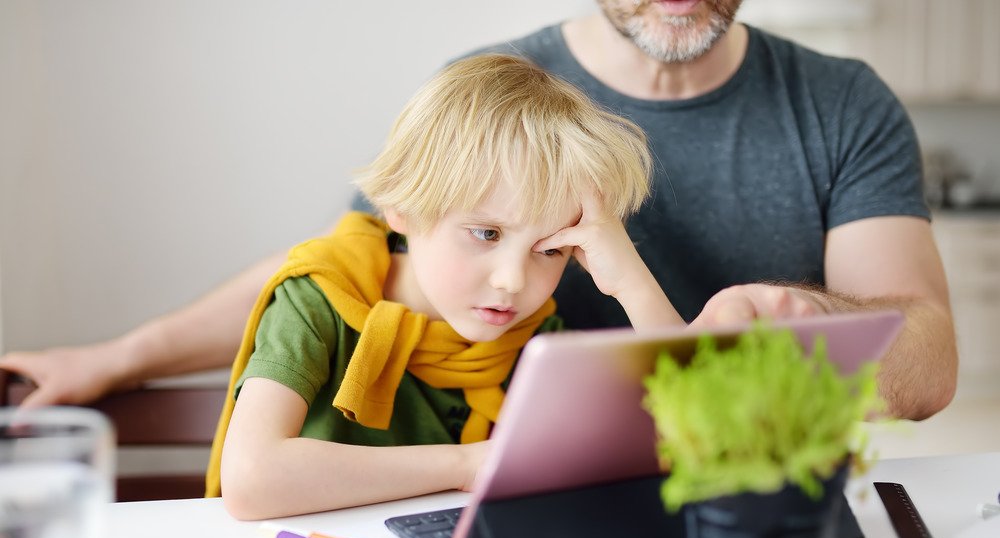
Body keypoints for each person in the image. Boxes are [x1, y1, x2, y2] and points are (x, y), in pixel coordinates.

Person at [0, 0, 956, 421]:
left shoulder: (840, 101)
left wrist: (807, 324)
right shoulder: (489, 90)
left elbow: (925, 369)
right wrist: (114, 358)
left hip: (755, 491)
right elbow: (344, 272)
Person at [211, 53, 681, 519]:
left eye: (550, 249)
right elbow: (253, 477)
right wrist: (466, 464)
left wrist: (632, 284)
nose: (513, 280)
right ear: (404, 208)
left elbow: (698, 436)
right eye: (486, 233)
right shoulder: (318, 300)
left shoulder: (538, 339)